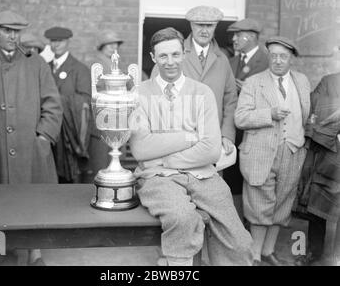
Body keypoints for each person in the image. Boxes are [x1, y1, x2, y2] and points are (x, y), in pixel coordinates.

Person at [129, 27, 253, 266]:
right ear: (153, 58)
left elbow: (210, 149)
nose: (170, 62)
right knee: (183, 219)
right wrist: (188, 136)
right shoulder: (139, 93)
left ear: (183, 55)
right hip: (156, 178)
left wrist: (165, 157)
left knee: (240, 242)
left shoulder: (202, 93)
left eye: (175, 55)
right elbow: (142, 150)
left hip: (203, 175)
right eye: (163, 56)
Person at [0, 10, 63, 265]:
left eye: (16, 31)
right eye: (6, 30)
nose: (12, 36)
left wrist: (43, 138)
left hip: (31, 150)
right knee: (0, 208)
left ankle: (35, 253)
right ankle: (4, 254)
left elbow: (53, 105)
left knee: (34, 203)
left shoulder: (36, 63)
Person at [235, 36, 310, 266]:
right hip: (260, 153)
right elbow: (240, 118)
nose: (278, 61)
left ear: (291, 59)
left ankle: (268, 251)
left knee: (283, 204)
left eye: (283, 57)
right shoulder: (253, 82)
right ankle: (255, 256)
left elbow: (307, 114)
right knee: (260, 204)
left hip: (293, 151)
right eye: (274, 56)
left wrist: (302, 142)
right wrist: (269, 114)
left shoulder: (302, 81)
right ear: (269, 56)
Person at [151, 6, 237, 159]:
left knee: (210, 181)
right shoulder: (173, 53)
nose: (204, 30)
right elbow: (155, 98)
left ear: (216, 26)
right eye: (199, 25)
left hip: (211, 139)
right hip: (176, 141)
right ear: (191, 25)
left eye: (209, 25)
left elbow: (230, 100)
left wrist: (227, 134)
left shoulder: (222, 60)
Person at [294, 72, 340, 266]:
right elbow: (314, 113)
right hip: (329, 151)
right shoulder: (329, 81)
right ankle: (313, 251)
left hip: (330, 144)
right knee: (317, 205)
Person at [223, 18, 269, 195]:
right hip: (233, 130)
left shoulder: (266, 62)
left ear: (250, 36)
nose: (234, 39)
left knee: (253, 182)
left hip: (255, 133)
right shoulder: (231, 62)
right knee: (231, 177)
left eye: (238, 35)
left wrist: (250, 89)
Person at [44, 26, 91, 184]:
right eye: (52, 41)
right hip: (47, 130)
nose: (56, 45)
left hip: (69, 135)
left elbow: (85, 101)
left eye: (60, 41)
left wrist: (58, 100)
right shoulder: (44, 68)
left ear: (68, 42)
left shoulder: (79, 69)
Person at [86, 30, 133, 181]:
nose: (114, 47)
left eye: (116, 44)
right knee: (100, 162)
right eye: (109, 44)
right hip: (102, 116)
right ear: (101, 45)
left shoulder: (116, 63)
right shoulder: (95, 63)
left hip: (118, 117)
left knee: (113, 157)